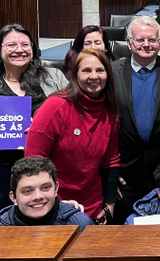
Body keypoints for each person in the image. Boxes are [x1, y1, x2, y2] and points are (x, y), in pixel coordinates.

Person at [0, 24, 69, 210]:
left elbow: (71, 118)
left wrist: (43, 128)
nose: (19, 50)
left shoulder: (55, 77)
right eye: (11, 45)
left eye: (25, 44)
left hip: (47, 169)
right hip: (0, 172)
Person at [25, 49, 120, 224]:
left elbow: (111, 161)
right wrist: (55, 203)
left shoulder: (110, 111)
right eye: (86, 70)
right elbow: (32, 162)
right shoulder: (55, 106)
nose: (94, 76)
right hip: (54, 205)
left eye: (100, 70)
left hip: (94, 207)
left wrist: (109, 204)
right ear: (75, 75)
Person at [112, 16, 160, 222]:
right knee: (126, 232)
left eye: (152, 40)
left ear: (159, 41)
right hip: (125, 172)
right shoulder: (112, 72)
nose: (146, 45)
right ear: (129, 43)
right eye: (140, 40)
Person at [0, 157, 93, 231]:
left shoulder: (81, 225)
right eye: (27, 191)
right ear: (13, 197)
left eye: (45, 188)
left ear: (56, 189)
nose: (38, 196)